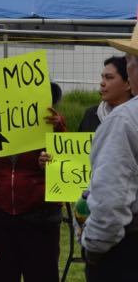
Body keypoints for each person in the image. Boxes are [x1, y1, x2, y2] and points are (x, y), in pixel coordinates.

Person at [0, 82, 66, 282]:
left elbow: (65, 161)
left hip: (39, 214)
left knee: (42, 274)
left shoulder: (50, 120)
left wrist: (57, 130)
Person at [80, 25, 138, 281]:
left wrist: (93, 247)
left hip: (126, 254)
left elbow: (110, 201)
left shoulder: (124, 120)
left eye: (129, 60)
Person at [78, 56, 131, 132]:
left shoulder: (134, 117)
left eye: (109, 77)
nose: (102, 83)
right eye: (102, 77)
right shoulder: (91, 114)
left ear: (128, 84)